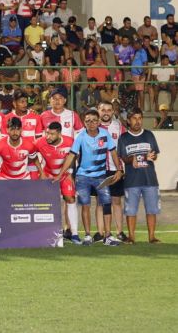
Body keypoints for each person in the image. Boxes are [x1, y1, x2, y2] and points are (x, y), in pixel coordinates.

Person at [54, 110, 123, 246]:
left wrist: (119, 169)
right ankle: (87, 235)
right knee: (85, 205)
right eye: (88, 121)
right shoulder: (80, 136)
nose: (91, 123)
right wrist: (61, 173)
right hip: (83, 176)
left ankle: (108, 236)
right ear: (84, 123)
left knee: (106, 203)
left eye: (93, 120)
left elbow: (114, 153)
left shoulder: (105, 134)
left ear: (98, 122)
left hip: (101, 176)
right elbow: (72, 156)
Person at [117, 108, 162, 244]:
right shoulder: (124, 138)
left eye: (140, 118)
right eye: (134, 118)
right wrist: (140, 156)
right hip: (132, 181)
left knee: (152, 209)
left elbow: (154, 156)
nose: (137, 121)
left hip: (150, 180)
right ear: (129, 121)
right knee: (130, 211)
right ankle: (131, 237)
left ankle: (152, 237)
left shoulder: (149, 135)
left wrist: (150, 156)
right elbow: (124, 159)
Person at [35, 122, 80, 244]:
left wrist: (70, 172)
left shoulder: (70, 141)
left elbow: (74, 157)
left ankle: (75, 234)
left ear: (59, 134)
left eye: (52, 134)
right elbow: (32, 155)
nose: (48, 136)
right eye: (47, 133)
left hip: (64, 174)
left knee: (70, 199)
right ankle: (46, 232)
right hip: (48, 174)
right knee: (46, 202)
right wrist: (41, 173)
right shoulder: (40, 142)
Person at [98, 101, 127, 242]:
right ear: (98, 111)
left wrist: (120, 170)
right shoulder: (93, 127)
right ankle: (103, 233)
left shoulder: (119, 127)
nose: (106, 112)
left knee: (116, 200)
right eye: (103, 109)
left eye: (109, 110)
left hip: (115, 170)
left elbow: (123, 149)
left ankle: (119, 232)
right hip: (99, 171)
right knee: (101, 202)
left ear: (112, 112)